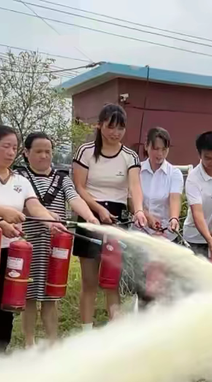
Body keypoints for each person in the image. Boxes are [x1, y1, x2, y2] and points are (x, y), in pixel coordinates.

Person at [0, 125, 66, 353]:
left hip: (12, 253)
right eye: (5, 146)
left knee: (5, 307)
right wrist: (0, 224)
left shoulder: (20, 181)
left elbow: (34, 206)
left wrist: (50, 220)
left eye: (14, 148)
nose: (11, 152)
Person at [16, 132, 99, 347]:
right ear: (26, 153)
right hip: (27, 244)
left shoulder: (61, 177)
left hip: (55, 247)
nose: (44, 156)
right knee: (30, 296)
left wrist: (90, 217)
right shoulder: (19, 176)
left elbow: (74, 199)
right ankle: (29, 343)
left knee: (51, 295)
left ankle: (53, 343)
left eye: (48, 151)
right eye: (38, 151)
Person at [72, 104, 147, 328]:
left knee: (111, 280)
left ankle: (115, 331)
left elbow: (135, 188)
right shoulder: (85, 151)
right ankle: (87, 330)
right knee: (89, 281)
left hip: (117, 219)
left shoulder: (130, 156)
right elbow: (79, 187)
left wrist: (140, 210)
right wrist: (98, 209)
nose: (115, 133)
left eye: (121, 128)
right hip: (90, 216)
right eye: (111, 127)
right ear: (99, 126)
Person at [135, 127, 183, 307]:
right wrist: (146, 216)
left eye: (164, 149)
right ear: (147, 147)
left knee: (165, 288)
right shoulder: (137, 169)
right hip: (142, 235)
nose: (160, 153)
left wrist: (174, 219)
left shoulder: (174, 173)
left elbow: (175, 199)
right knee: (144, 288)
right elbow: (133, 200)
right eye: (156, 148)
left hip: (166, 238)